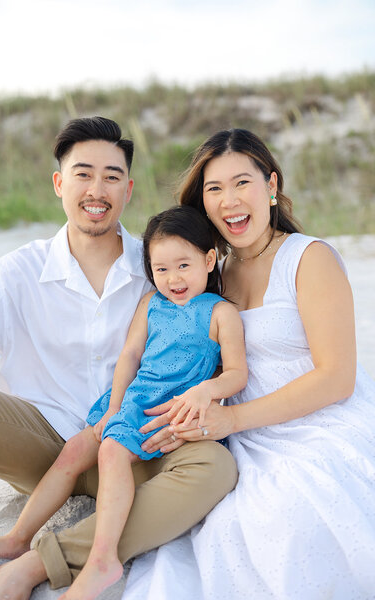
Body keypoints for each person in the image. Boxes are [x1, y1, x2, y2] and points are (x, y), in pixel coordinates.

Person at [0, 118, 239, 597]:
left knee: (216, 469)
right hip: (44, 446)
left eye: (112, 176)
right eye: (83, 173)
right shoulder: (14, 273)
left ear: (129, 189)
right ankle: (24, 539)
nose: (97, 189)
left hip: (137, 443)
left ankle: (43, 561)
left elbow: (212, 349)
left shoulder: (160, 269)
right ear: (59, 182)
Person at [123, 128, 375, 600]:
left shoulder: (309, 258)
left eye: (242, 183)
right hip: (233, 428)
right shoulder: (206, 273)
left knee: (288, 517)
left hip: (316, 419)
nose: (230, 200)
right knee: (206, 518)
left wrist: (229, 418)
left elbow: (337, 377)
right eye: (214, 189)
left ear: (272, 186)